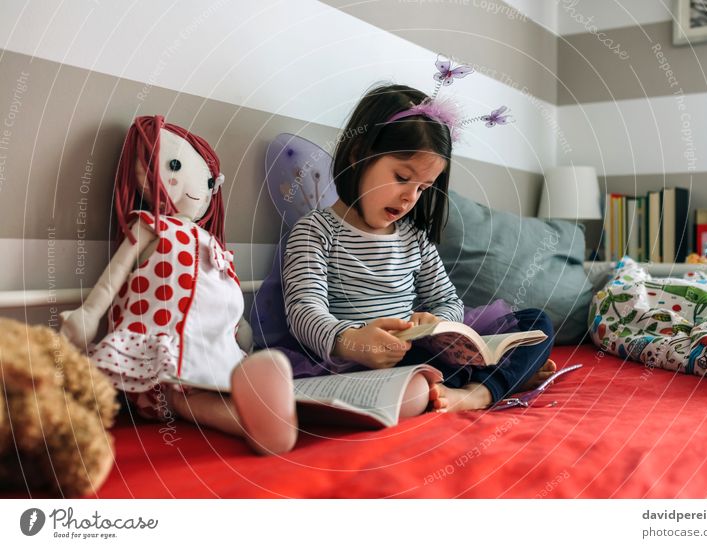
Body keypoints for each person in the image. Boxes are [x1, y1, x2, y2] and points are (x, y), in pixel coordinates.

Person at [281, 84, 556, 413]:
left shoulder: (414, 239)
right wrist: (352, 342)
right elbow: (303, 310)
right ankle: (501, 379)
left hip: (423, 354)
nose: (410, 197)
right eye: (401, 177)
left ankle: (479, 392)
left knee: (536, 324)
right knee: (414, 377)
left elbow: (447, 300)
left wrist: (438, 323)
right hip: (360, 367)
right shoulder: (315, 231)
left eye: (423, 188)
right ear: (358, 154)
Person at [61, 116, 297, 455]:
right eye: (173, 165)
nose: (196, 186)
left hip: (217, 353)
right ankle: (254, 424)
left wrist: (240, 328)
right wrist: (90, 313)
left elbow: (221, 294)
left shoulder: (211, 241)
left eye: (208, 180)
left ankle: (265, 411)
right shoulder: (149, 226)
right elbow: (114, 277)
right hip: (165, 361)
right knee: (188, 398)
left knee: (222, 388)